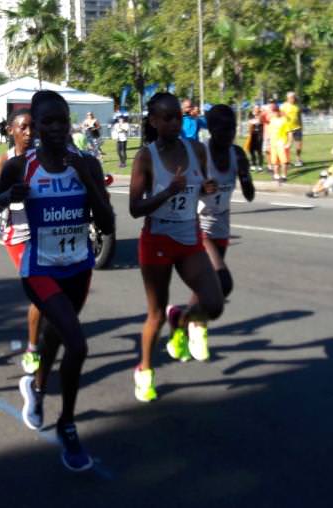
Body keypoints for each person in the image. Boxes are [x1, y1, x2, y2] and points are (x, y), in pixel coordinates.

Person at [0, 90, 114, 472]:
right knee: (77, 343)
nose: (55, 128)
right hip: (39, 268)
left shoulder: (85, 162)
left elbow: (107, 224)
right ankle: (68, 423)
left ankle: (35, 389)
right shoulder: (22, 166)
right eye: (46, 122)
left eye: (61, 120)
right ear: (34, 127)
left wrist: (89, 181)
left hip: (78, 268)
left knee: (56, 337)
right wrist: (7, 197)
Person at [129, 92, 223, 403]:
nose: (173, 123)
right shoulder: (145, 157)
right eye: (166, 118)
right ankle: (144, 371)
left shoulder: (196, 149)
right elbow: (135, 208)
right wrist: (168, 191)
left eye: (178, 117)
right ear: (153, 121)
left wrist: (207, 189)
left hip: (189, 238)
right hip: (156, 241)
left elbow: (203, 189)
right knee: (154, 315)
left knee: (214, 303)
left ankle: (181, 321)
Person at [172, 103, 254, 318]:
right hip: (197, 224)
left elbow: (249, 195)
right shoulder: (200, 154)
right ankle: (187, 322)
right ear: (212, 129)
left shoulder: (237, 153)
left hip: (221, 227)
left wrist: (245, 175)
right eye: (223, 129)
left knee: (206, 290)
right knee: (222, 282)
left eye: (232, 128)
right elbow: (181, 192)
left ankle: (182, 322)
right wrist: (200, 188)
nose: (229, 134)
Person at [0, 108, 44, 375]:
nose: (29, 133)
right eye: (22, 128)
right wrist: (6, 198)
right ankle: (32, 348)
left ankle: (49, 332)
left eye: (32, 127)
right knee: (40, 293)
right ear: (10, 130)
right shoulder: (3, 162)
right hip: (17, 233)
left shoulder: (43, 159)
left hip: (43, 230)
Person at [267, 103, 292, 183]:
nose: (274, 113)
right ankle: (276, 175)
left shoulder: (284, 120)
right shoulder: (272, 120)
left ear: (278, 111)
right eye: (273, 111)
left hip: (281, 142)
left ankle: (284, 176)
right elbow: (270, 133)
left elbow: (289, 132)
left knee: (284, 161)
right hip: (273, 143)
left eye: (275, 111)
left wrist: (289, 143)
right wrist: (268, 143)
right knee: (274, 161)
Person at [280, 91, 304, 166]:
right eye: (291, 97)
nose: (293, 99)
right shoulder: (283, 106)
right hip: (287, 129)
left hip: (297, 128)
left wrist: (301, 126)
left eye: (294, 97)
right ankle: (287, 160)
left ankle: (298, 159)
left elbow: (299, 116)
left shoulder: (297, 106)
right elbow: (281, 116)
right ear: (288, 98)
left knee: (299, 145)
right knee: (287, 146)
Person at [246, 105, 264, 171]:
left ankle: (260, 165)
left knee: (259, 150)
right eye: (255, 108)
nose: (256, 110)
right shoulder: (250, 114)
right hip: (252, 134)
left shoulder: (262, 114)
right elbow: (250, 122)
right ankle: (253, 164)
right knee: (251, 149)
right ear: (253, 109)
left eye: (258, 108)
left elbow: (260, 121)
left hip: (260, 134)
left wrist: (257, 119)